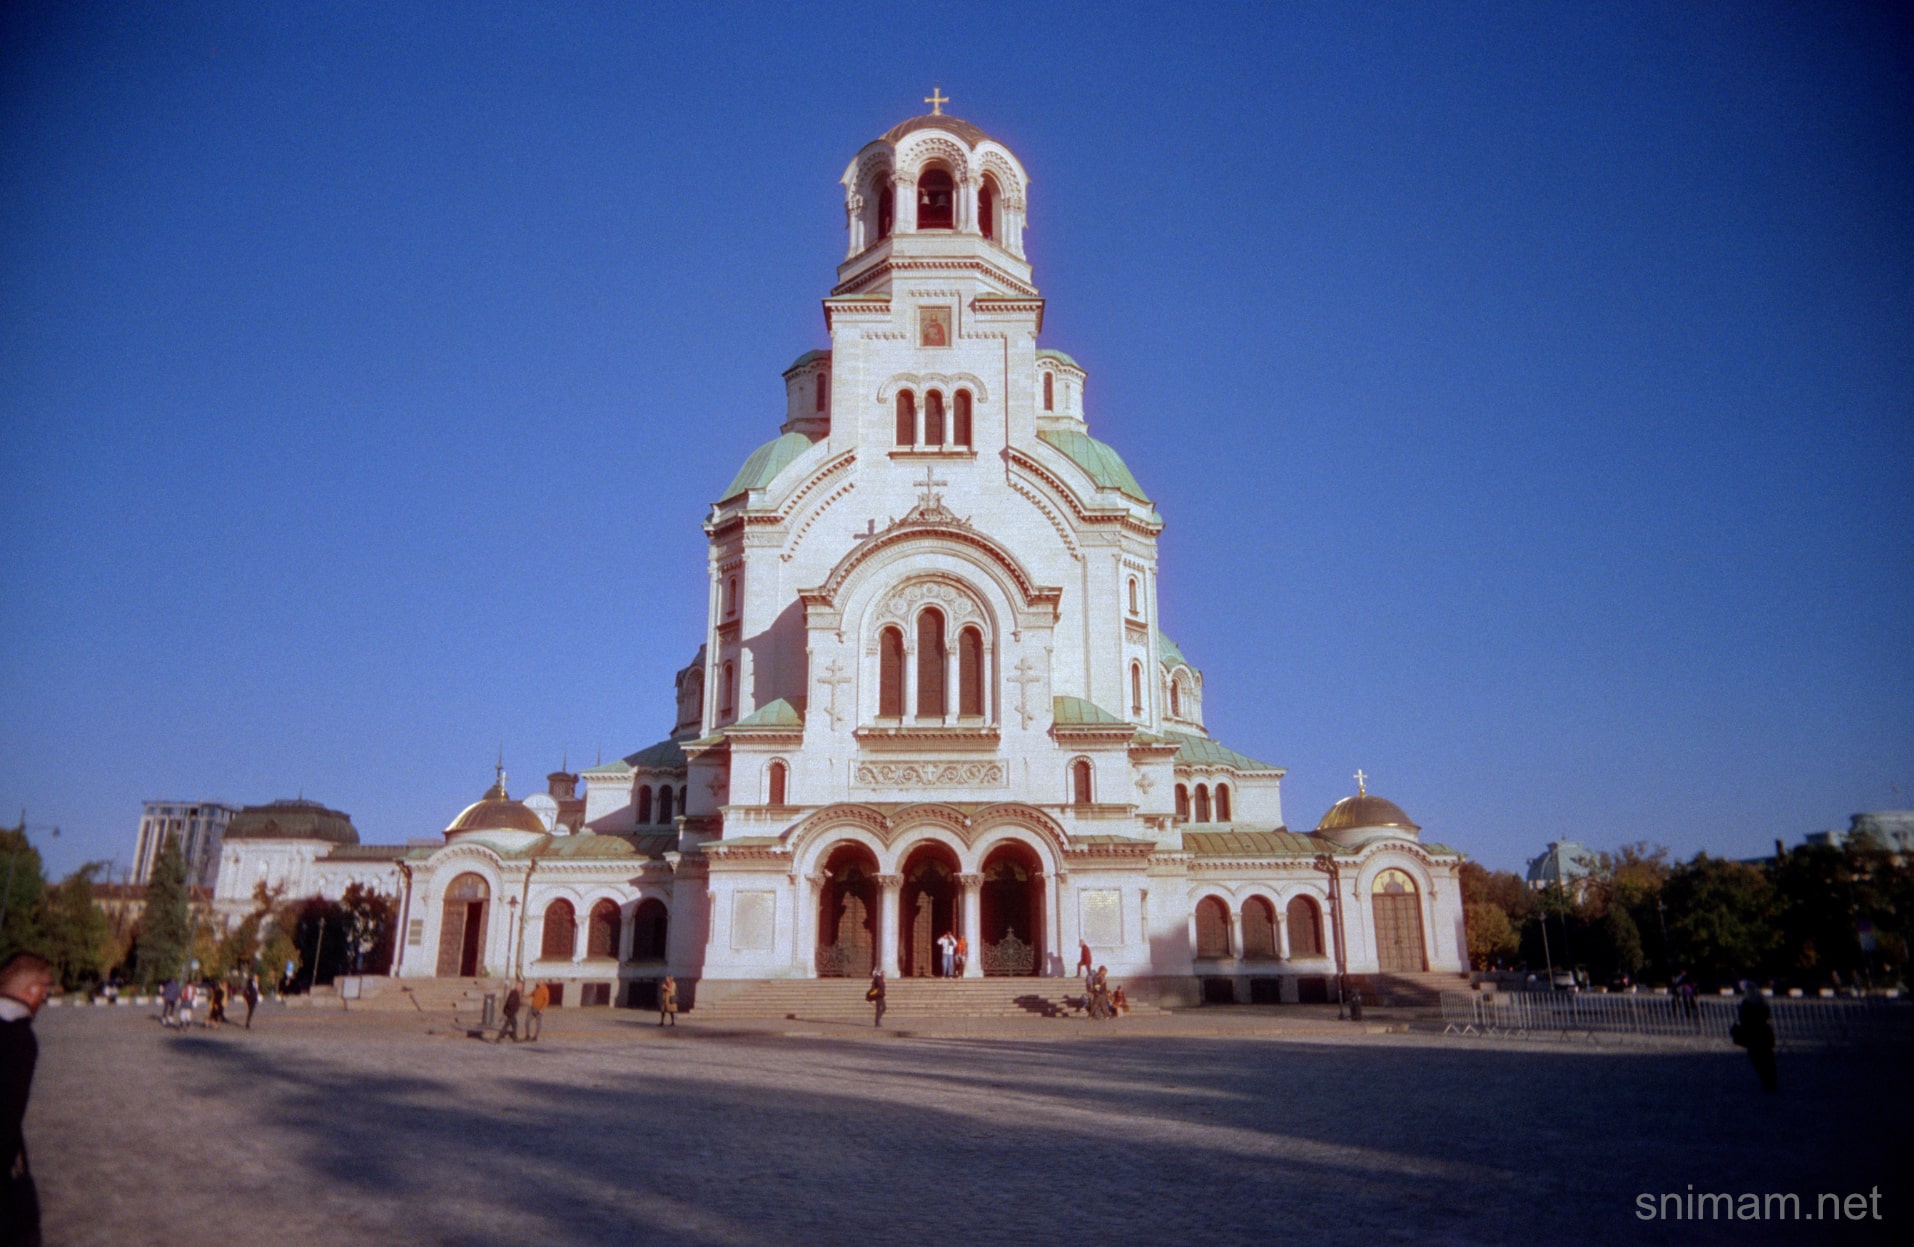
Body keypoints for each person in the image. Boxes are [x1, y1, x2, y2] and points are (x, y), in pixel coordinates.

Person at [1, 952, 55, 1247]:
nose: (44, 998)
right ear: (31, 991)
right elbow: (7, 1118)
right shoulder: (18, 1039)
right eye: (44, 989)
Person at [1732, 980, 1778, 1092]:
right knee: (1768, 1058)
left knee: (1757, 1059)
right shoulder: (1761, 1002)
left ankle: (1766, 1081)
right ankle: (1771, 1081)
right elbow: (1767, 1014)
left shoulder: (1746, 1003)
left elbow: (1743, 1018)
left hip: (1752, 1034)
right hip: (1764, 1033)